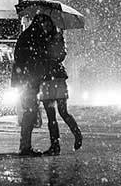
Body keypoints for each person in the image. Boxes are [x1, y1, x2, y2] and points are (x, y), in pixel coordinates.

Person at [39, 23, 83, 156]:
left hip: (48, 79)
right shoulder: (59, 39)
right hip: (58, 77)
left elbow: (46, 57)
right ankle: (76, 134)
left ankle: (55, 144)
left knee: (52, 115)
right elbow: (61, 56)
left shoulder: (44, 39)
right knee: (62, 112)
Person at [11, 14, 49, 156]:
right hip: (28, 81)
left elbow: (18, 58)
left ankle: (25, 145)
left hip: (25, 80)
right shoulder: (35, 37)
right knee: (30, 112)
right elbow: (35, 59)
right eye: (45, 24)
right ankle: (25, 146)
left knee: (30, 111)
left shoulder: (27, 35)